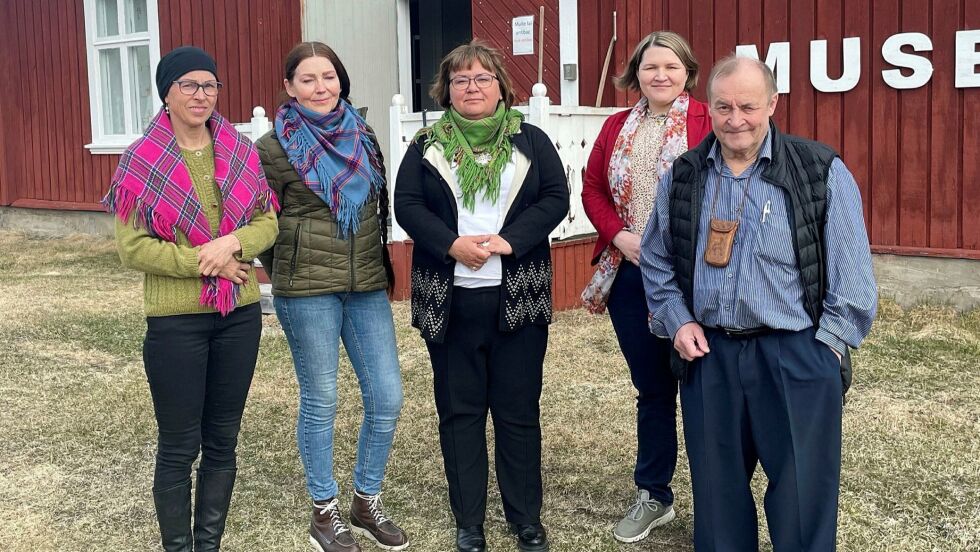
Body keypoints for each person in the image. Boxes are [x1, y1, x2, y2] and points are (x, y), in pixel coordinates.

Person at [640, 55, 878, 551]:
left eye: (748, 106)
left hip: (795, 354)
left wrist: (826, 349)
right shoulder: (683, 176)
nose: (735, 119)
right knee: (717, 497)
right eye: (723, 106)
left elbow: (853, 274)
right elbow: (657, 258)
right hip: (710, 358)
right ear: (711, 107)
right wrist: (678, 322)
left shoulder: (819, 171)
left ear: (772, 104)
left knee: (802, 499)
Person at [393, 40, 568, 552]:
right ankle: (469, 521)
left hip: (519, 297)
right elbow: (407, 205)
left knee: (517, 412)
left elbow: (556, 198)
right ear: (447, 90)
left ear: (501, 88)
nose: (472, 87)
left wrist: (509, 242)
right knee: (460, 412)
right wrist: (452, 245)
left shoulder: (531, 141)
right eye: (461, 79)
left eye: (483, 78)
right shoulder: (426, 144)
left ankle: (525, 518)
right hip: (450, 300)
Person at [103, 46, 279, 551]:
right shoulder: (142, 158)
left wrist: (234, 244)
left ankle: (209, 544)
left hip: (239, 315)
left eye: (210, 86)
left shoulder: (240, 150)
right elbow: (133, 247)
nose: (202, 95)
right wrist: (205, 260)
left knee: (223, 439)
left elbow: (267, 218)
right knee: (181, 445)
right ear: (167, 92)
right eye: (190, 85)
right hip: (176, 322)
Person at [255, 41, 408, 552]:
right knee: (321, 401)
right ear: (289, 87)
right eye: (308, 79)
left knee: (386, 397)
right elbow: (261, 225)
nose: (321, 88)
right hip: (307, 293)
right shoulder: (272, 148)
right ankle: (324, 513)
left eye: (329, 77)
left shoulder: (363, 134)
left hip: (364, 284)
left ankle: (366, 500)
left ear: (340, 80)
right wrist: (290, 275)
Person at [579, 30, 710, 544]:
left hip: (696, 276)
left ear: (687, 73)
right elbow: (591, 187)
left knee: (703, 389)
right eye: (650, 67)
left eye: (671, 67)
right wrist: (619, 235)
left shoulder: (706, 120)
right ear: (635, 74)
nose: (660, 76)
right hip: (632, 274)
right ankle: (654, 494)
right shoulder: (616, 126)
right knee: (653, 390)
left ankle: (715, 497)